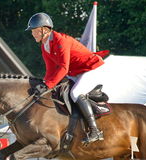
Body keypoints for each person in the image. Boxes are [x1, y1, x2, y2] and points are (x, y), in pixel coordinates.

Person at [26, 12, 109, 144]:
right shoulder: (44, 45)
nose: (32, 34)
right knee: (61, 92)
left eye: (34, 31)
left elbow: (63, 67)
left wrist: (48, 85)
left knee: (75, 93)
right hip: (77, 71)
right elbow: (51, 70)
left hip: (92, 67)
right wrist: (45, 84)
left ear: (43, 30)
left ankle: (95, 131)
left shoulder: (60, 40)